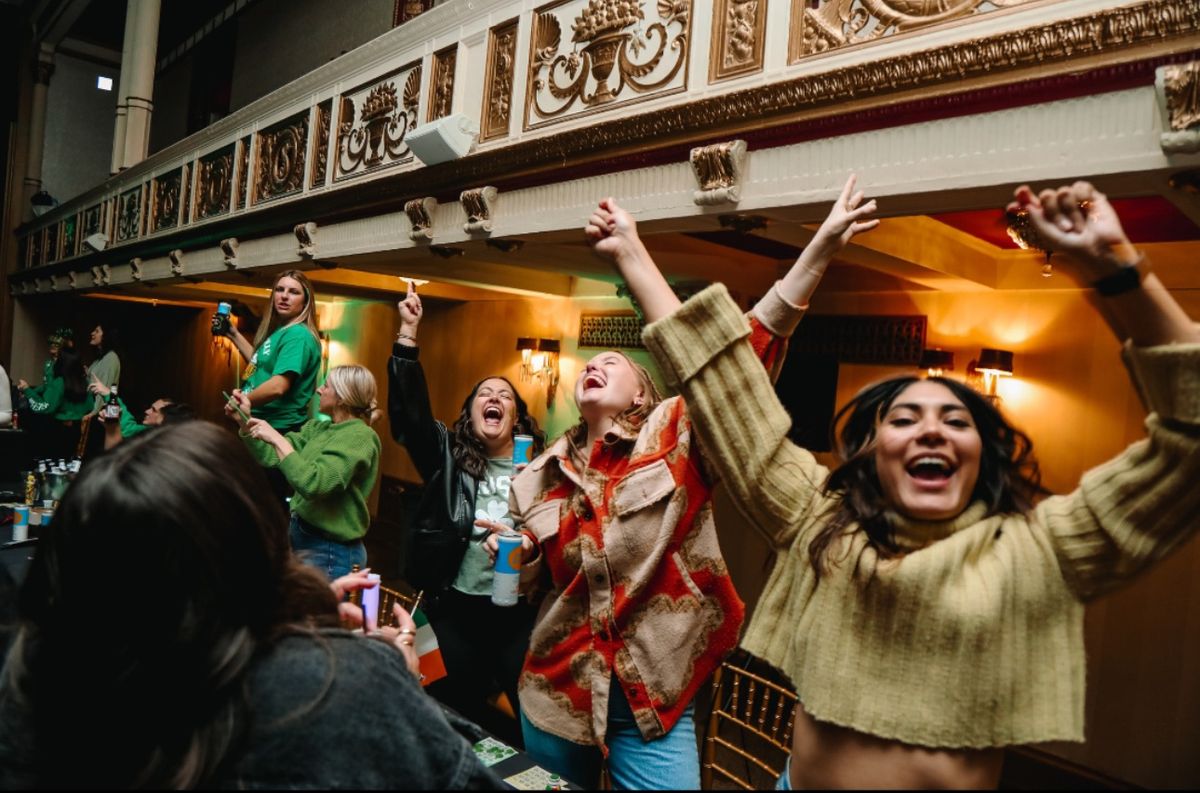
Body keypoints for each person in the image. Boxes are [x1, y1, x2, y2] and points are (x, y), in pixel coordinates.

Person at [605, 177, 1200, 789]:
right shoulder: (822, 521)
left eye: (956, 420)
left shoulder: (1034, 552)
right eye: (906, 418)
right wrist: (631, 251)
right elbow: (726, 387)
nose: (931, 431)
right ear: (871, 456)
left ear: (983, 456)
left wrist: (1119, 273)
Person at [487, 182, 876, 791]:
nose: (593, 364)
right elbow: (540, 585)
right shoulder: (537, 476)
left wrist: (818, 252)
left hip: (653, 699)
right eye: (587, 364)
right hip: (554, 694)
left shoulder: (676, 435)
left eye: (610, 363)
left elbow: (740, 361)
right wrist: (523, 555)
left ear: (642, 393)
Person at [0, 421, 503, 789]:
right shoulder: (338, 686)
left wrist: (286, 615)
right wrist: (396, 678)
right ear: (256, 542)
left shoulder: (30, 674)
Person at [387, 280, 546, 746]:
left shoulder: (541, 464)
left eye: (505, 395)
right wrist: (408, 334)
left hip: (519, 616)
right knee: (445, 713)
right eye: (484, 394)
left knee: (533, 721)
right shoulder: (448, 455)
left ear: (516, 417)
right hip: (455, 610)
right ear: (471, 411)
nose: (494, 398)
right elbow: (411, 417)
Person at [229, 364, 382, 581]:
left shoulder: (360, 436)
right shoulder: (318, 428)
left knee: (317, 615)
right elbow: (271, 456)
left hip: (330, 551)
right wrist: (243, 421)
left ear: (342, 397)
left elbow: (315, 483)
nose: (319, 390)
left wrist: (277, 437)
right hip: (302, 536)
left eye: (325, 386)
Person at [218, 270, 323, 503]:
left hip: (277, 430)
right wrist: (233, 334)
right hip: (260, 426)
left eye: (293, 292)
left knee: (262, 505)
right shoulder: (281, 331)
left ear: (306, 301)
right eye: (280, 289)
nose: (284, 296)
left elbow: (278, 386)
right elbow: (258, 363)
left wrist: (243, 402)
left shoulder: (298, 335)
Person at [15, 348, 92, 460]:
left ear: (61, 362)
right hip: (78, 431)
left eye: (57, 358)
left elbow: (44, 407)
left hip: (58, 432)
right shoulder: (85, 382)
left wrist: (27, 390)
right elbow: (90, 407)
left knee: (55, 465)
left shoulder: (59, 382)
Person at [97, 392, 195, 449]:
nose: (147, 411)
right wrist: (108, 393)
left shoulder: (153, 448)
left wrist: (112, 430)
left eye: (154, 410)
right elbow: (128, 426)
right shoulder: (145, 432)